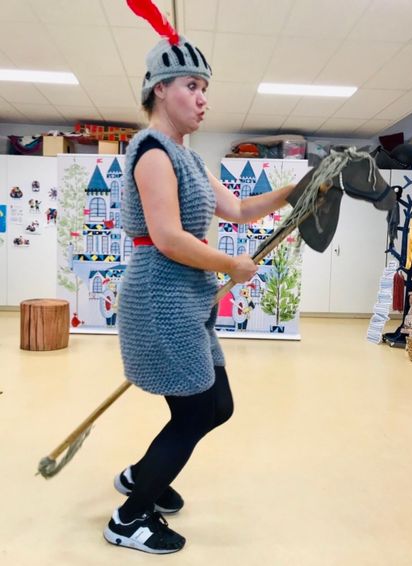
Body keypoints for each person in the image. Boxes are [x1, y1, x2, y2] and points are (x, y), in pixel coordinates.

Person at [103, 35, 300, 555]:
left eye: (205, 88)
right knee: (194, 413)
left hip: (189, 298)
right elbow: (168, 238)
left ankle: (141, 474)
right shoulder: (151, 153)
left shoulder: (186, 158)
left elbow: (239, 210)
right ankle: (129, 518)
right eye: (192, 86)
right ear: (160, 89)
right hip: (160, 297)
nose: (202, 98)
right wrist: (232, 265)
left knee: (218, 405)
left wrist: (294, 192)